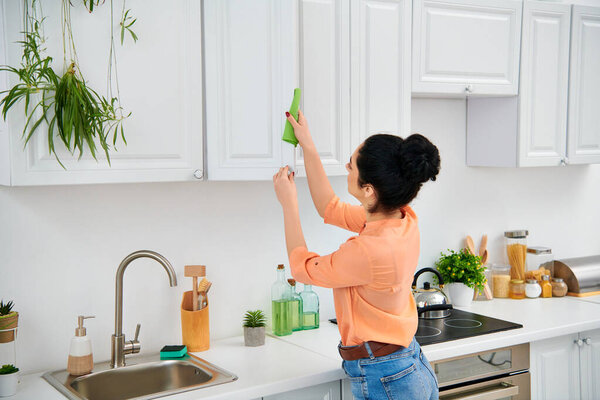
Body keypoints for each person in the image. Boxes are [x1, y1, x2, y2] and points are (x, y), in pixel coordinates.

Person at [273, 109, 441, 400]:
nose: (347, 170)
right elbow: (330, 208)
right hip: (407, 366)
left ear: (368, 190)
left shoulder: (368, 249)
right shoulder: (402, 218)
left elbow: (302, 269)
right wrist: (308, 145)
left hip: (386, 378)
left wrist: (288, 205)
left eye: (350, 167)